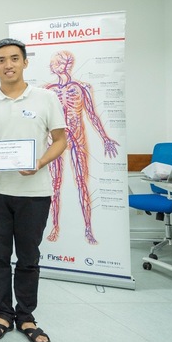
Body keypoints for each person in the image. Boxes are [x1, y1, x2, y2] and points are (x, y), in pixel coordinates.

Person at [0, 38, 67, 342]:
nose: (8, 65)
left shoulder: (46, 98)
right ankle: (3, 314)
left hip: (34, 193)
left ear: (25, 62)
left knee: (29, 257)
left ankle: (26, 316)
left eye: (14, 58)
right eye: (1, 60)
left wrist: (39, 163)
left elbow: (60, 140)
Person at [43, 50, 119, 245]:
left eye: (59, 63)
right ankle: (55, 227)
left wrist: (105, 138)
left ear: (67, 65)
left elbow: (92, 114)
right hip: (54, 139)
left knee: (82, 182)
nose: (56, 66)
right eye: (55, 63)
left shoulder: (82, 87)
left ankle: (88, 228)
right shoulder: (47, 90)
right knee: (55, 184)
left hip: (76, 137)